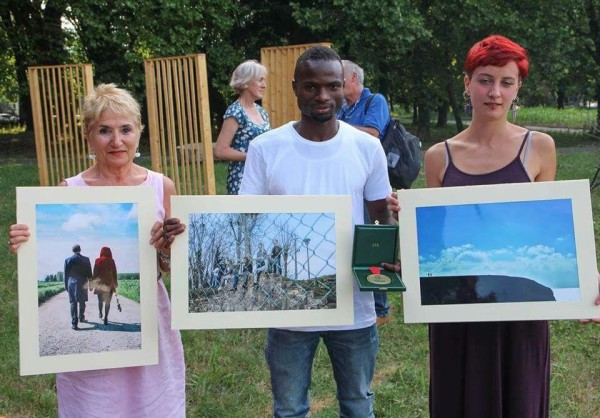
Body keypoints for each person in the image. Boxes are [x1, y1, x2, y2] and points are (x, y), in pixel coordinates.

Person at [386, 35, 599, 418]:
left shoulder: (540, 148)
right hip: (456, 310)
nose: (495, 93)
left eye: (507, 82)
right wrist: (413, 222)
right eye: (485, 80)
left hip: (520, 315)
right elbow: (440, 240)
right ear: (467, 83)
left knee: (520, 399)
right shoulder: (439, 157)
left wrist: (589, 280)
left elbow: (549, 224)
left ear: (518, 88)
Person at [8, 83, 186, 417]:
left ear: (138, 133)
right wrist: (25, 242)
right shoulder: (69, 189)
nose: (116, 141)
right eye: (104, 130)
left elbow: (168, 266)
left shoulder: (161, 186)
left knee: (153, 402)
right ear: (89, 136)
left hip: (153, 316)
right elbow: (43, 244)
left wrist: (167, 248)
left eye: (125, 130)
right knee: (94, 402)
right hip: (91, 358)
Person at [240, 46, 395, 418]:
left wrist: (388, 258)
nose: (322, 96)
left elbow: (380, 217)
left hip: (352, 307)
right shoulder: (265, 148)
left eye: (332, 86)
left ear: (346, 87)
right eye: (311, 86)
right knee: (290, 408)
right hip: (287, 308)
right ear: (295, 88)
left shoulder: (367, 147)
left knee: (358, 404)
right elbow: (245, 220)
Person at [338, 59, 393, 325]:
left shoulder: (376, 101)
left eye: (340, 78)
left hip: (373, 184)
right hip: (349, 185)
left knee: (374, 241)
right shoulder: (343, 107)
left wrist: (337, 129)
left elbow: (372, 133)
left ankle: (380, 307)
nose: (336, 84)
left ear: (353, 79)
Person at [214, 59, 271, 195]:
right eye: (260, 80)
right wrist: (252, 156)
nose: (264, 85)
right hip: (242, 179)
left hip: (263, 176)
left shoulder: (261, 111)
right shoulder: (235, 112)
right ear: (245, 82)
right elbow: (220, 151)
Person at [63, 244, 92, 330]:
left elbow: (65, 275)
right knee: (82, 301)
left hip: (71, 283)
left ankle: (74, 324)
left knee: (73, 303)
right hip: (83, 283)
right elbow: (90, 273)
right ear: (80, 250)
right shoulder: (86, 259)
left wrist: (66, 286)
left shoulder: (68, 260)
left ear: (72, 250)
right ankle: (81, 317)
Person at [92, 246, 118, 325]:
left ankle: (100, 313)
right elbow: (114, 273)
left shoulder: (97, 260)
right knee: (107, 302)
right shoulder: (112, 261)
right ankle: (106, 317)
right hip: (109, 284)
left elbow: (95, 273)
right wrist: (115, 283)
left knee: (100, 301)